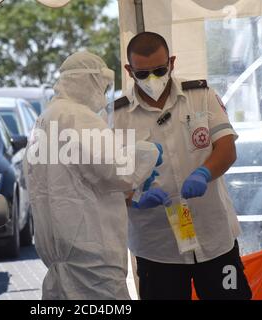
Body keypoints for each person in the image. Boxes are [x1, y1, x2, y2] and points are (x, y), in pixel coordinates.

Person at [115, 32, 252, 300]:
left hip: (214, 238)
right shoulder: (117, 117)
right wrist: (135, 198)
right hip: (157, 247)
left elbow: (227, 148)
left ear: (172, 63)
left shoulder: (201, 95)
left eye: (159, 70)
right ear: (129, 71)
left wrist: (204, 172)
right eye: (142, 74)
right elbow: (108, 182)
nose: (152, 79)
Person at [23, 51, 162, 300]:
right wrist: (149, 152)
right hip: (91, 259)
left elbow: (73, 178)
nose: (104, 92)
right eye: (102, 85)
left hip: (61, 259)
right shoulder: (77, 117)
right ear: (87, 81)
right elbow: (115, 169)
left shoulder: (44, 120)